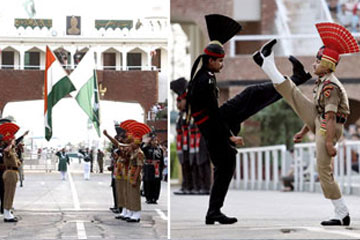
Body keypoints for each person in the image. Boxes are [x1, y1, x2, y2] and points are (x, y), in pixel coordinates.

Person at [186, 14, 311, 225]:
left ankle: (296, 78)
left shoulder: (205, 77)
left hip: (217, 125)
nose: (222, 65)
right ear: (211, 60)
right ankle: (213, 211)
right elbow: (212, 115)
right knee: (225, 167)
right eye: (220, 61)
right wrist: (230, 136)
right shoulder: (204, 81)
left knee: (253, 95)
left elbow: (212, 114)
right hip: (215, 128)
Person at [253, 22, 359, 226]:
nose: (313, 64)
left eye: (318, 61)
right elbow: (318, 113)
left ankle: (342, 212)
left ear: (328, 64)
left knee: (323, 170)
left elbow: (329, 117)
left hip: (330, 127)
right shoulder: (322, 82)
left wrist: (329, 142)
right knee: (294, 95)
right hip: (321, 122)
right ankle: (268, 66)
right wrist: (304, 129)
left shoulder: (331, 87)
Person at [171, 78, 194, 195]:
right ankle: (186, 185)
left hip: (190, 141)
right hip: (182, 142)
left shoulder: (189, 113)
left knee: (192, 164)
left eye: (180, 101)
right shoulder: (181, 114)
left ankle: (193, 185)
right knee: (184, 164)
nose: (178, 104)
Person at [0, 122, 21, 222]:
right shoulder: (7, 149)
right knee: (8, 193)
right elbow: (6, 150)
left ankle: (8, 213)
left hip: (13, 173)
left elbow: (17, 162)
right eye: (13, 139)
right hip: (9, 173)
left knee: (10, 193)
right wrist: (11, 144)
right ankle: (7, 215)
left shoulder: (12, 150)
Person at [141, 134, 164, 204]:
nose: (155, 142)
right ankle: (149, 198)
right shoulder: (146, 148)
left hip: (157, 168)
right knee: (148, 182)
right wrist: (144, 142)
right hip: (149, 167)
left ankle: (155, 198)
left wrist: (161, 169)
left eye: (156, 140)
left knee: (156, 183)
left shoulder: (160, 150)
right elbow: (141, 150)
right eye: (153, 140)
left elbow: (161, 160)